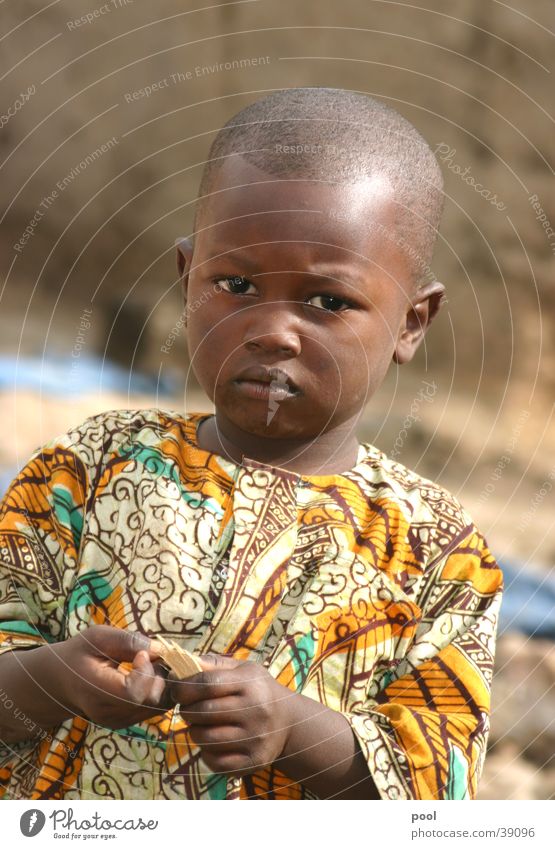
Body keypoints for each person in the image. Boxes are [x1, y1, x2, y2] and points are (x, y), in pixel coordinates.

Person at [0, 88, 503, 800]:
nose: (272, 330)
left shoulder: (437, 554)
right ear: (186, 280)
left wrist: (294, 730)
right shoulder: (81, 471)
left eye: (329, 301)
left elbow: (438, 782)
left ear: (410, 324)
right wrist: (52, 680)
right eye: (235, 284)